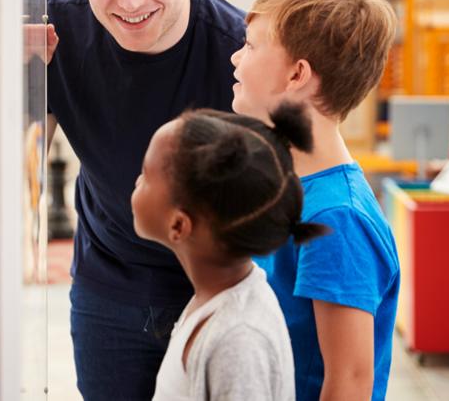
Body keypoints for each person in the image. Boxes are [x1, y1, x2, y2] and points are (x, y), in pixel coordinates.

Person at [45, 0, 245, 399]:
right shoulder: (49, 30)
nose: (130, 2)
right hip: (107, 287)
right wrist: (11, 82)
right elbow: (14, 154)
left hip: (217, 287)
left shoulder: (242, 54)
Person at [230, 0, 401, 400]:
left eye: (250, 45)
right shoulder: (291, 188)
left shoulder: (335, 219)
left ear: (296, 74)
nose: (236, 57)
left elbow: (349, 382)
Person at [131, 104, 328, 401]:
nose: (137, 181)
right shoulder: (214, 301)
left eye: (146, 174)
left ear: (178, 224)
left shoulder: (239, 339)